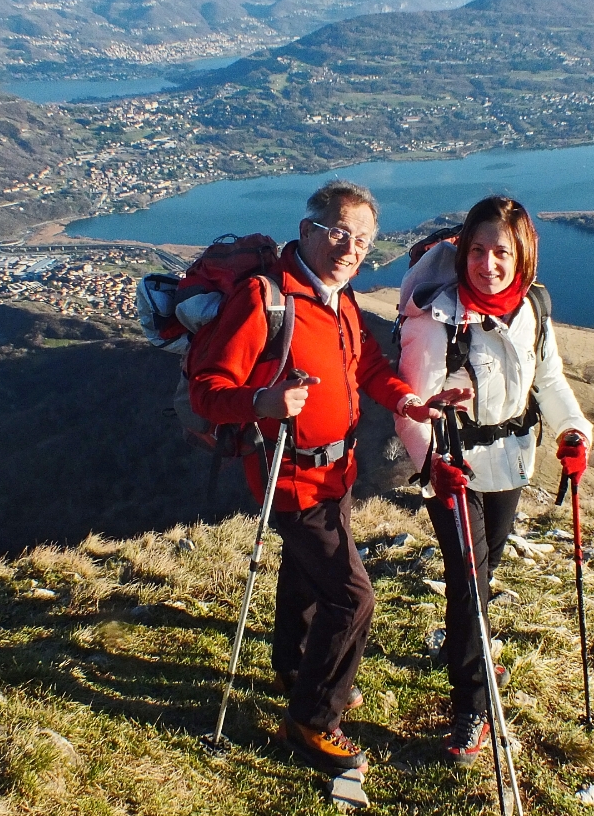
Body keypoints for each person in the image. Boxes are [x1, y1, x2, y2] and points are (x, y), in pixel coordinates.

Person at [188, 179, 468, 774]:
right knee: (352, 598)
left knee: (307, 577)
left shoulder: (337, 298)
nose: (350, 247)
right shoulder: (267, 299)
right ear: (307, 229)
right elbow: (208, 391)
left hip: (336, 470)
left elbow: (366, 363)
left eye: (362, 239)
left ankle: (295, 666)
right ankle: (313, 718)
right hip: (288, 476)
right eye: (338, 232)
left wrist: (409, 403)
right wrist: (262, 403)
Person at [394, 195, 594, 766]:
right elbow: (412, 404)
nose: (488, 264)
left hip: (511, 462)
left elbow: (549, 381)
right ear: (462, 251)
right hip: (453, 472)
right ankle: (471, 705)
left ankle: (466, 647)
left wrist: (572, 431)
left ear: (521, 253)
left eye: (500, 251)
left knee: (482, 572)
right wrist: (433, 464)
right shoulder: (436, 315)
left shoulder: (533, 305)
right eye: (477, 250)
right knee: (471, 583)